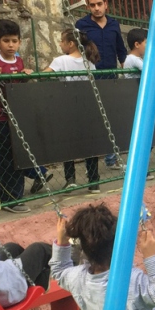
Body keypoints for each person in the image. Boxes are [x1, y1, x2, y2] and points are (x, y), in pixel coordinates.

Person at [0, 19, 33, 213]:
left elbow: (17, 85)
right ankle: (8, 198)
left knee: (15, 154)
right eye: (6, 41)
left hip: (16, 114)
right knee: (7, 155)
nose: (11, 45)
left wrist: (25, 75)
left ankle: (7, 197)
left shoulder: (18, 60)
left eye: (14, 41)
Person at [44, 29, 102, 193]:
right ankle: (94, 180)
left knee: (67, 142)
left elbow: (44, 75)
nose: (60, 44)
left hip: (67, 106)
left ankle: (70, 179)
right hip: (86, 105)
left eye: (62, 41)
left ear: (70, 43)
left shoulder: (61, 60)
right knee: (90, 143)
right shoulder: (89, 62)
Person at [76, 0, 126, 169]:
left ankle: (112, 159)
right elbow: (76, 51)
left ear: (105, 4)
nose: (96, 8)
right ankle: (91, 162)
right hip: (90, 78)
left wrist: (124, 66)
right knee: (93, 119)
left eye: (99, 4)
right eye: (92, 5)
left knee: (112, 117)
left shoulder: (114, 24)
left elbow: (121, 49)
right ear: (88, 7)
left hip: (111, 77)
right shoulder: (81, 25)